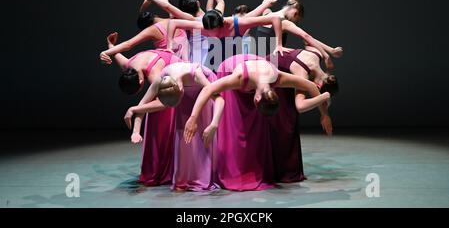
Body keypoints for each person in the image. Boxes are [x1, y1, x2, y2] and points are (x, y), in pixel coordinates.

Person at [184, 54, 331, 191]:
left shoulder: (277, 77)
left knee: (257, 128)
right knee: (236, 127)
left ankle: (254, 167)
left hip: (259, 67)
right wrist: (193, 117)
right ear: (257, 99)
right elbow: (208, 89)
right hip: (231, 67)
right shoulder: (239, 78)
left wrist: (324, 115)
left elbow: (310, 86)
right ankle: (234, 171)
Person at [123, 62, 225, 191]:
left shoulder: (196, 75)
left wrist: (214, 124)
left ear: (180, 90)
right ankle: (185, 177)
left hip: (201, 90)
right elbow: (142, 106)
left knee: (202, 133)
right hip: (182, 90)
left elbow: (219, 100)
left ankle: (204, 174)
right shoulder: (161, 80)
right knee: (183, 135)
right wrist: (136, 131)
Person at [105, 32, 182, 186]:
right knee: (150, 115)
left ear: (141, 81)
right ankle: (157, 167)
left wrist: (134, 110)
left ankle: (170, 170)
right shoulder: (129, 67)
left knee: (160, 123)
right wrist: (110, 46)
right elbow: (117, 55)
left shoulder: (155, 74)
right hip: (164, 89)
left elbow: (165, 102)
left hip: (176, 89)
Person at [266, 45, 339, 182]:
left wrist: (328, 53)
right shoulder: (302, 74)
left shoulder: (316, 55)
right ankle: (282, 170)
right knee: (288, 121)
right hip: (270, 77)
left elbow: (308, 39)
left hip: (279, 73)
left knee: (289, 118)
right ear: (318, 87)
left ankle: (282, 168)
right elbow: (299, 106)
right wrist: (324, 99)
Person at [165, 0, 289, 60]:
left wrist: (278, 44)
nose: (211, 34)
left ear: (222, 24)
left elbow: (275, 19)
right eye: (208, 32)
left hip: (236, 61)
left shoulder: (238, 24)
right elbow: (173, 23)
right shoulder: (202, 25)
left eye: (214, 31)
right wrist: (169, 46)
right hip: (214, 61)